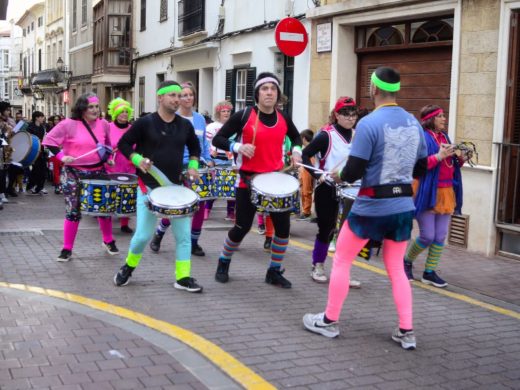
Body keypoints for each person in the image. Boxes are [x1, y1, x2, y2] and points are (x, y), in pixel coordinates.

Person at [303, 67, 428, 350]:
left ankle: (329, 321)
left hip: (371, 205)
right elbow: (421, 166)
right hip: (402, 206)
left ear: (373, 89)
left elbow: (354, 169)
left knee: (343, 260)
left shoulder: (369, 124)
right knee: (396, 268)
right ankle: (407, 331)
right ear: (396, 90)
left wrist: (338, 175)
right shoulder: (413, 123)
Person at [212, 72, 302, 288]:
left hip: (274, 181)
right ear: (257, 94)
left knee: (282, 231)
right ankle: (223, 262)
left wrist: (297, 151)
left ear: (278, 94)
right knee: (241, 228)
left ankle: (274, 271)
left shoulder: (283, 118)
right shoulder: (244, 115)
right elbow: (218, 138)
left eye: (273, 88)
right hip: (248, 182)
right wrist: (237, 146)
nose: (269, 92)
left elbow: (296, 137)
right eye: (265, 88)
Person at [113, 80, 203, 293]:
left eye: (179, 95)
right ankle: (128, 266)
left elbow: (195, 147)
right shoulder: (145, 123)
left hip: (176, 189)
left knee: (183, 237)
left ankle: (183, 277)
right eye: (172, 95)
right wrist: (137, 160)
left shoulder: (185, 125)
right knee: (143, 236)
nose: (176, 99)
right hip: (149, 188)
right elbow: (123, 144)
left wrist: (192, 165)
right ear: (160, 97)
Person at [42, 93, 119, 262]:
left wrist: (109, 158)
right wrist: (62, 157)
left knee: (103, 208)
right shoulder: (68, 124)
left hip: (98, 171)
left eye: (97, 106)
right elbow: (48, 141)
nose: (95, 110)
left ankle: (108, 241)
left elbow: (106, 146)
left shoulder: (104, 124)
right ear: (82, 109)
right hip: (74, 173)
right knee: (73, 210)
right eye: (91, 107)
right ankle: (67, 248)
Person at [301, 97, 363, 285]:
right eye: (346, 114)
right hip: (328, 187)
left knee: (349, 233)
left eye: (353, 114)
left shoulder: (358, 134)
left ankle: (343, 271)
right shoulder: (326, 135)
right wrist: (315, 175)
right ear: (336, 115)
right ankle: (317, 264)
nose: (350, 118)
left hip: (352, 188)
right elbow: (306, 154)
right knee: (326, 229)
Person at [404, 105, 466, 287]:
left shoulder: (445, 137)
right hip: (426, 190)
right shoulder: (422, 138)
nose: (444, 119)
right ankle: (406, 261)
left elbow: (451, 165)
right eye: (440, 116)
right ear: (430, 119)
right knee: (427, 236)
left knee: (440, 236)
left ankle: (429, 272)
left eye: (444, 116)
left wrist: (460, 158)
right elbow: (417, 165)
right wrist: (438, 156)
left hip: (447, 191)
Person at [149, 82, 213, 256]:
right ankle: (159, 234)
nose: (187, 98)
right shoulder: (172, 118)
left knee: (200, 204)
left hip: (197, 167)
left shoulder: (200, 118)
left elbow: (203, 144)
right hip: (178, 167)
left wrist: (208, 160)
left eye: (190, 95)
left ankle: (194, 242)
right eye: (183, 95)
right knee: (178, 206)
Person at [105, 98, 136, 233]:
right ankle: (108, 221)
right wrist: (108, 156)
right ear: (115, 113)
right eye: (121, 111)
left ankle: (124, 223)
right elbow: (103, 146)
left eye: (126, 112)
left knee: (127, 194)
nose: (124, 114)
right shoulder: (108, 127)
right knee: (112, 194)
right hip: (112, 165)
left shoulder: (132, 129)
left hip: (129, 165)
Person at [204, 100, 235, 221]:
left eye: (228, 111)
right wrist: (210, 154)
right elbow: (205, 143)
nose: (226, 113)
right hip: (216, 160)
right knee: (214, 187)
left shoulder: (234, 126)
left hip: (231, 160)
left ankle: (230, 212)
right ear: (218, 113)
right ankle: (207, 210)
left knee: (231, 187)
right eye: (223, 111)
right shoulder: (212, 126)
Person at [26, 111, 48, 195]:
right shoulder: (30, 127)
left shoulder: (42, 127)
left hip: (42, 151)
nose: (43, 118)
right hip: (34, 151)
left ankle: (40, 186)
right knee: (36, 170)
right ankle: (32, 186)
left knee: (43, 169)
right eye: (41, 117)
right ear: (36, 118)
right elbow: (28, 139)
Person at [296, 129, 315, 221]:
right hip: (305, 169)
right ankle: (305, 210)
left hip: (307, 169)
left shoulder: (310, 148)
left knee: (306, 190)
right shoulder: (310, 148)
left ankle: (306, 211)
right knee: (304, 189)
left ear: (304, 138)